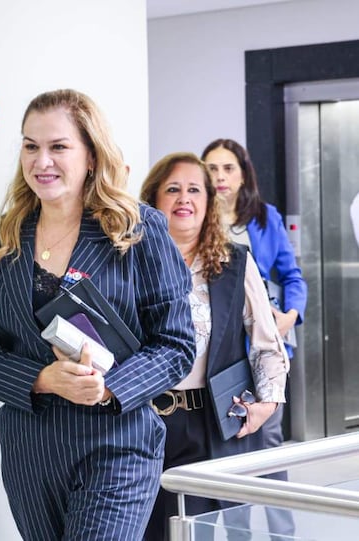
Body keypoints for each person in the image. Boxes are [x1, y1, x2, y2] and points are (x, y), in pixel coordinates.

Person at [0, 89, 196, 540]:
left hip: (118, 444)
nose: (42, 161)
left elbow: (176, 345)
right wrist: (42, 379)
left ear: (91, 155)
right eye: (31, 146)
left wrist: (108, 387)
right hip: (31, 450)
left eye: (58, 147)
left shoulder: (138, 230)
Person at [139, 152, 289, 540]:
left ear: (208, 201)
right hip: (144, 422)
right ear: (153, 200)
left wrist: (268, 403)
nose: (183, 199)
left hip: (213, 420)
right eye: (172, 189)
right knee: (151, 530)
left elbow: (266, 344)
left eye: (194, 190)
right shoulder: (131, 261)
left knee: (205, 530)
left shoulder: (235, 263)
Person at [202, 138, 306, 538]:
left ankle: (283, 533)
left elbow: (291, 275)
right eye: (211, 168)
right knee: (231, 446)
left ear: (243, 174)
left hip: (263, 344)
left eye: (228, 168)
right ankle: (238, 534)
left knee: (270, 442)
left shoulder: (264, 218)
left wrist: (291, 316)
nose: (220, 176)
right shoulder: (196, 217)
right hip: (219, 352)